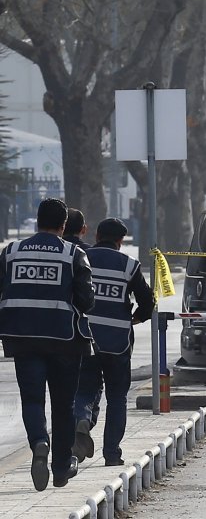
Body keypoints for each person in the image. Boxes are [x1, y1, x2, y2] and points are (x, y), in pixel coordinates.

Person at [0, 198, 94, 490]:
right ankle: (62, 466)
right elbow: (86, 300)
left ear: (37, 220)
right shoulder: (73, 254)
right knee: (63, 406)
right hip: (64, 341)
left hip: (22, 338)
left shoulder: (10, 252)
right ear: (64, 225)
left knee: (32, 399)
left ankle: (39, 442)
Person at [72, 218, 155, 466]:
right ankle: (111, 455)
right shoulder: (128, 265)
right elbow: (148, 303)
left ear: (96, 235)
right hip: (118, 342)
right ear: (121, 241)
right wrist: (133, 320)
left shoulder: (81, 257)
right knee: (117, 398)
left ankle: (81, 419)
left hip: (86, 338)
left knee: (84, 389)